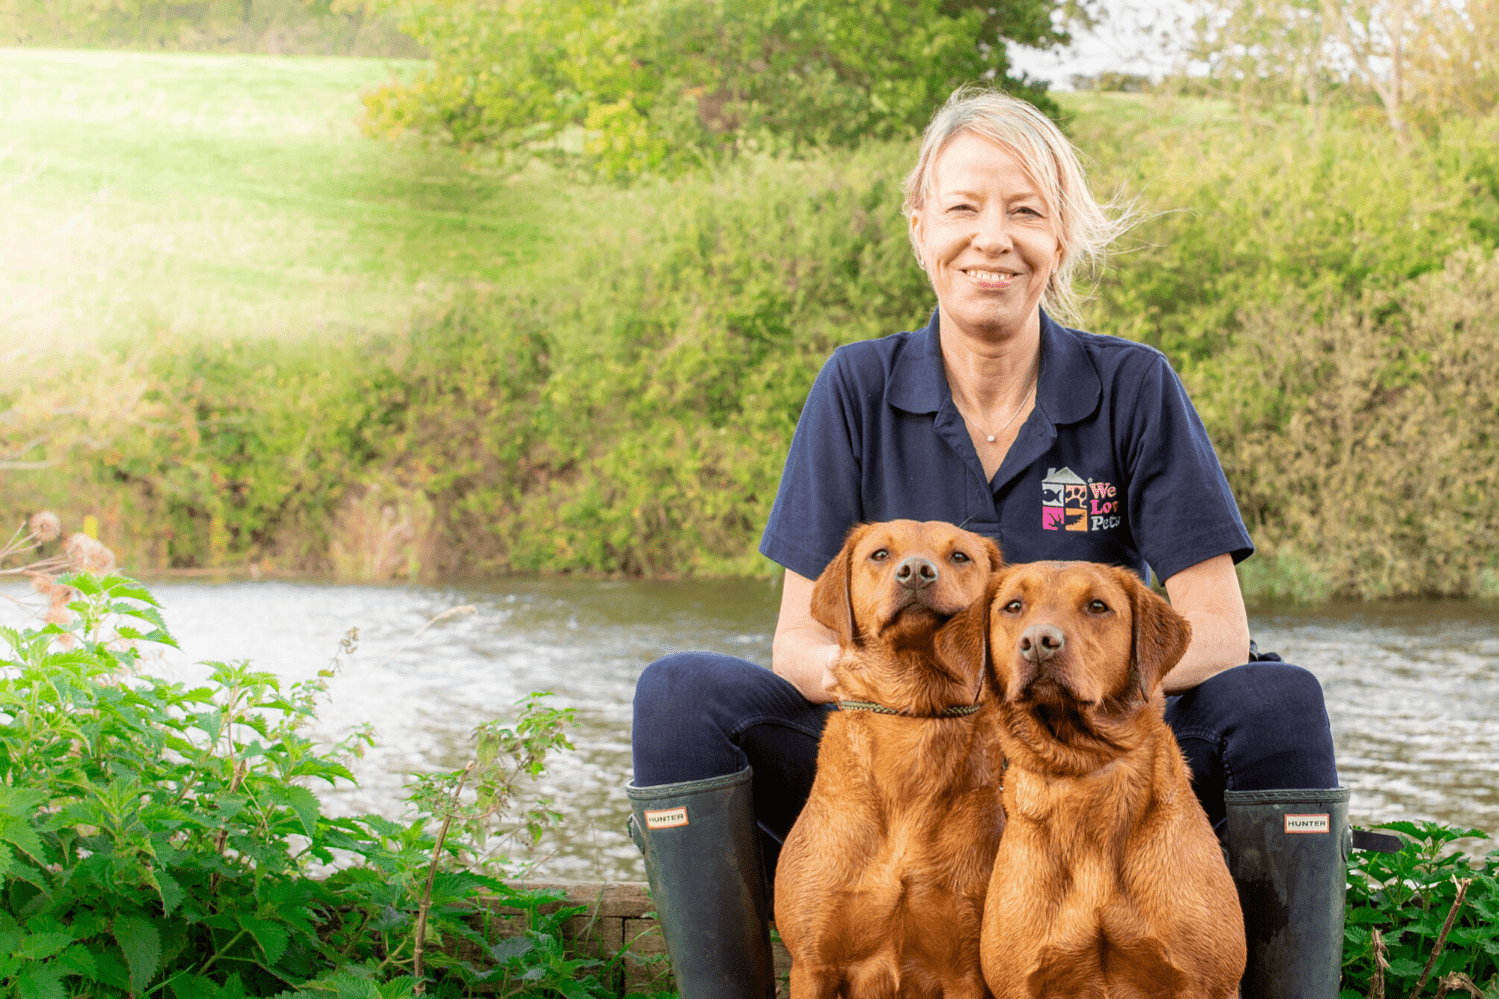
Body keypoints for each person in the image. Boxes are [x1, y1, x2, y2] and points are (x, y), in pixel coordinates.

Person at [626, 86, 1345, 999]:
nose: (991, 237)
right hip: (912, 751)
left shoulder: (1133, 384)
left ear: (1061, 237)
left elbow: (1217, 631)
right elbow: (799, 643)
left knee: (1277, 699)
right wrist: (936, 694)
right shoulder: (855, 384)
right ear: (919, 225)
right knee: (682, 692)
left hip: (1090, 750)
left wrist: (1054, 681)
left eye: (1025, 211)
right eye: (962, 207)